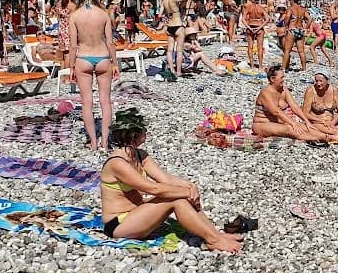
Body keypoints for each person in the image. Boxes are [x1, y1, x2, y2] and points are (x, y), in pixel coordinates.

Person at [99, 108, 242, 253]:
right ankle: (214, 240)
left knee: (182, 196)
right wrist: (185, 192)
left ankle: (215, 234)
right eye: (144, 130)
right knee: (177, 198)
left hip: (136, 214)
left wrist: (191, 186)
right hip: (118, 224)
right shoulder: (117, 163)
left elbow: (164, 179)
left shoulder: (139, 155)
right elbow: (153, 188)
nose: (146, 133)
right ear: (135, 134)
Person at [68, 0, 119, 152]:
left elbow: (73, 46)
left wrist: (71, 67)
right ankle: (105, 142)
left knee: (86, 102)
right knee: (106, 101)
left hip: (83, 58)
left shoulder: (74, 16)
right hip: (103, 56)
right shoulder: (103, 14)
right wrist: (115, 63)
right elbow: (110, 42)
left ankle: (93, 144)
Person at [252, 65, 330, 142]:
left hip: (276, 123)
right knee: (290, 128)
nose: (284, 80)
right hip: (262, 124)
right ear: (272, 79)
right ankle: (317, 139)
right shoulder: (265, 93)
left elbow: (295, 107)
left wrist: (306, 121)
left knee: (306, 127)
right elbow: (275, 111)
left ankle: (326, 137)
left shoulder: (284, 90)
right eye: (281, 77)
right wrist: (292, 123)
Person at [162, 0, 193, 77]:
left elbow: (160, 14)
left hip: (169, 26)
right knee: (179, 50)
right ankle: (178, 71)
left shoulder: (164, 0)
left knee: (169, 51)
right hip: (178, 25)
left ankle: (172, 70)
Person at [281, 0, 310, 72]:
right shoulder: (302, 9)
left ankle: (283, 69)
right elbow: (309, 19)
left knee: (287, 50)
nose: (289, 2)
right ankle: (304, 69)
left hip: (292, 29)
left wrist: (286, 25)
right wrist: (305, 28)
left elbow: (287, 16)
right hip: (300, 30)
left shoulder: (290, 9)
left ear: (292, 0)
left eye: (290, 0)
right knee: (301, 51)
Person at [242, 0, 269, 71]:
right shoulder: (261, 8)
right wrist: (260, 28)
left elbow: (243, 19)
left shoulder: (249, 7)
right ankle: (260, 66)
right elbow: (267, 19)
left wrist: (249, 27)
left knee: (250, 47)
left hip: (250, 27)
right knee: (260, 48)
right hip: (259, 28)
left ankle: (252, 65)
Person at [55, 0, 77, 68]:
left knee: (63, 54)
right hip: (69, 30)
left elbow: (58, 17)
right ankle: (67, 75)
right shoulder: (72, 5)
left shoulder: (59, 3)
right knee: (68, 53)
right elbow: (74, 19)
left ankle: (62, 74)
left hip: (61, 29)